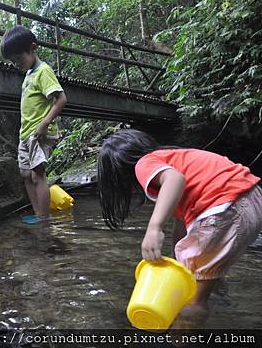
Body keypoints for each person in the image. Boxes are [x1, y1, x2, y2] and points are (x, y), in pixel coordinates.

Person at [98, 128, 262, 327]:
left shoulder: (144, 163)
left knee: (193, 298)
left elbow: (174, 180)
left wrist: (154, 228)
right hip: (252, 199)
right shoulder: (178, 158)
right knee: (201, 272)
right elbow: (182, 225)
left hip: (222, 210)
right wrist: (179, 265)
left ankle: (183, 336)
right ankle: (218, 296)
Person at [0, 25, 67, 224]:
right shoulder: (28, 75)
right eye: (12, 61)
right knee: (25, 174)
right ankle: (38, 212)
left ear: (32, 47)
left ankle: (43, 218)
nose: (16, 64)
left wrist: (45, 124)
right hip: (26, 134)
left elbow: (61, 99)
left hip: (39, 132)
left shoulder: (43, 71)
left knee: (38, 176)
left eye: (18, 59)